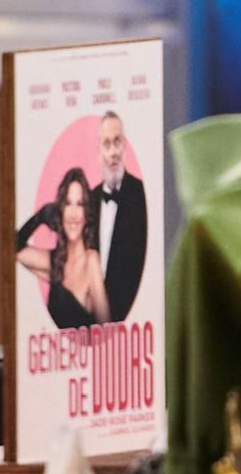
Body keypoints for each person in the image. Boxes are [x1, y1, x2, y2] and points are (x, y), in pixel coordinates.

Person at [18, 164, 109, 329]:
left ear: (87, 213)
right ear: (60, 210)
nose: (73, 214)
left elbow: (109, 332)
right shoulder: (55, 263)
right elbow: (13, 249)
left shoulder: (91, 261)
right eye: (68, 203)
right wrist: (40, 217)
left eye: (80, 204)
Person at [86, 111, 150, 322]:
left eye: (117, 142)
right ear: (98, 150)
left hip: (133, 317)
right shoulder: (90, 200)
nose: (113, 152)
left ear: (124, 145)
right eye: (107, 144)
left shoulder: (141, 194)